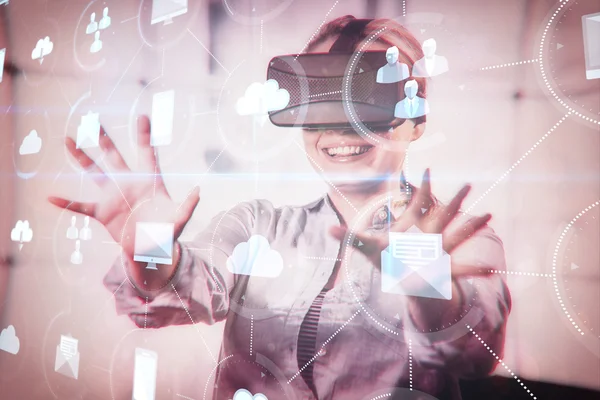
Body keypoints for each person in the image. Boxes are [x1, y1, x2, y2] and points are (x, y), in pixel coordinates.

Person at [48, 15, 511, 400]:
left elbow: (474, 355)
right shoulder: (258, 228)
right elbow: (177, 295)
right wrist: (148, 242)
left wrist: (423, 274)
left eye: (367, 95)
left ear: (415, 122)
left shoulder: (461, 239)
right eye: (320, 97)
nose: (342, 127)